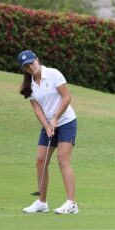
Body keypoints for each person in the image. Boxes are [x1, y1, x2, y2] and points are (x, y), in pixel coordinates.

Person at [18, 50, 79, 214]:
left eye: (32, 63)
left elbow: (67, 97)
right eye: (27, 66)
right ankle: (42, 202)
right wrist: (46, 125)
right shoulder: (29, 85)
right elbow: (37, 109)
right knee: (40, 160)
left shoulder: (53, 74)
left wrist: (55, 119)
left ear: (37, 60)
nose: (31, 67)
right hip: (49, 125)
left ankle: (72, 203)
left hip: (66, 122)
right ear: (24, 69)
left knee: (62, 159)